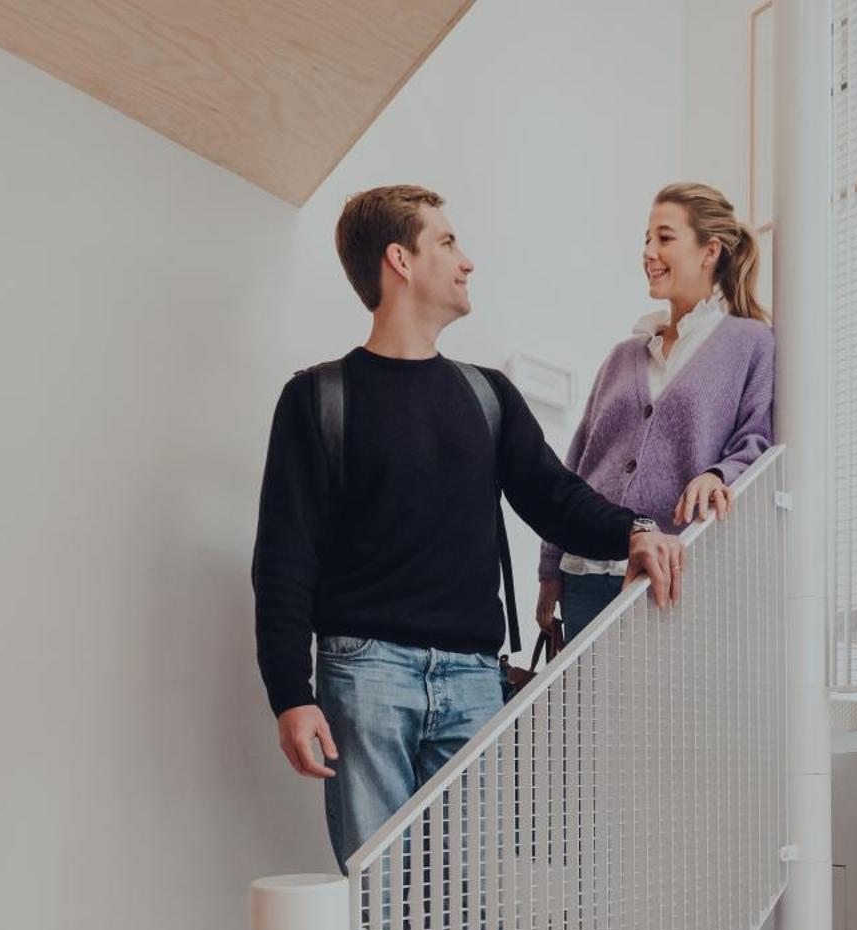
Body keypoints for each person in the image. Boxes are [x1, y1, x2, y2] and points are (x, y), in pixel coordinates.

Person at [252, 184, 689, 871]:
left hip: (473, 685)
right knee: (381, 911)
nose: (467, 262)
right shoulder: (316, 398)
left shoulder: (486, 395)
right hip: (365, 677)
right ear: (400, 259)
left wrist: (635, 529)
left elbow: (554, 497)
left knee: (471, 918)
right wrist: (290, 694)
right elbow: (283, 560)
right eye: (448, 242)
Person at [538, 182, 774, 639]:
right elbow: (575, 465)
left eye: (664, 238)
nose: (649, 251)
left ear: (710, 250)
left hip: (673, 569)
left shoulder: (751, 343)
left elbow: (758, 439)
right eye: (646, 239)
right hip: (585, 570)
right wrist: (550, 564)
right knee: (590, 709)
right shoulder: (624, 355)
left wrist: (719, 474)